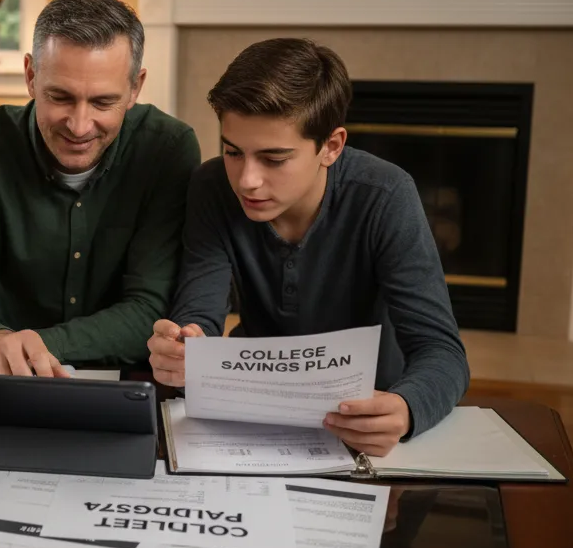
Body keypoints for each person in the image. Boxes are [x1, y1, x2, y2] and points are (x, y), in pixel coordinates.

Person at [147, 38, 469, 456]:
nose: (246, 180)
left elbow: (442, 351)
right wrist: (182, 347)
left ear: (331, 146)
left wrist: (406, 408)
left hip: (363, 415)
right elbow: (199, 315)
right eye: (232, 151)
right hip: (251, 412)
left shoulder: (385, 195)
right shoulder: (211, 187)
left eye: (274, 159)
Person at [0, 0, 201, 377]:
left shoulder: (168, 149)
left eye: (103, 102)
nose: (80, 125)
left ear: (135, 87)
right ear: (31, 76)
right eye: (60, 97)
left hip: (126, 385)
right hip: (0, 384)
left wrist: (26, 347)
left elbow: (151, 309)